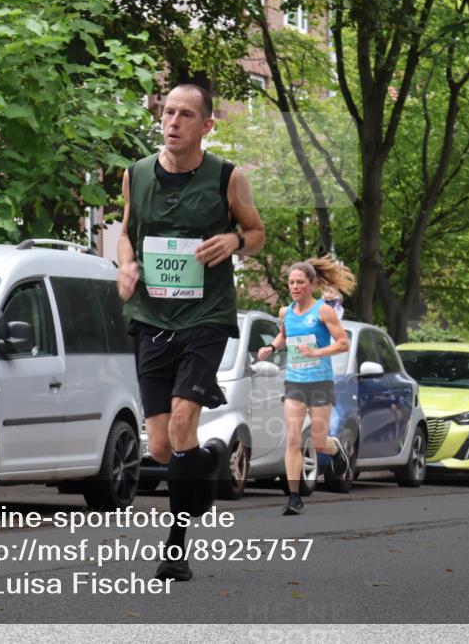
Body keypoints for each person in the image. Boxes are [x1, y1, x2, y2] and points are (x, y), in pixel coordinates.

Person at [117, 83, 265, 581]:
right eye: (167, 112)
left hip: (205, 317)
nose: (172, 121)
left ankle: (175, 551)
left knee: (182, 422)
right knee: (160, 446)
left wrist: (234, 239)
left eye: (185, 114)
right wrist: (126, 265)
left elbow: (257, 234)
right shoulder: (136, 175)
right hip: (152, 317)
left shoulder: (228, 177)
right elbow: (125, 233)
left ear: (206, 126)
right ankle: (204, 459)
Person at [257, 257, 355, 514]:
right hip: (295, 382)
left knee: (319, 442)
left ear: (311, 284)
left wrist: (317, 353)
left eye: (300, 282)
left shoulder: (323, 311)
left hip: (320, 383)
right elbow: (284, 335)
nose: (295, 286)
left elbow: (343, 343)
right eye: (291, 282)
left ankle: (335, 451)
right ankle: (293, 496)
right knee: (293, 439)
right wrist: (270, 347)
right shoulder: (285, 312)